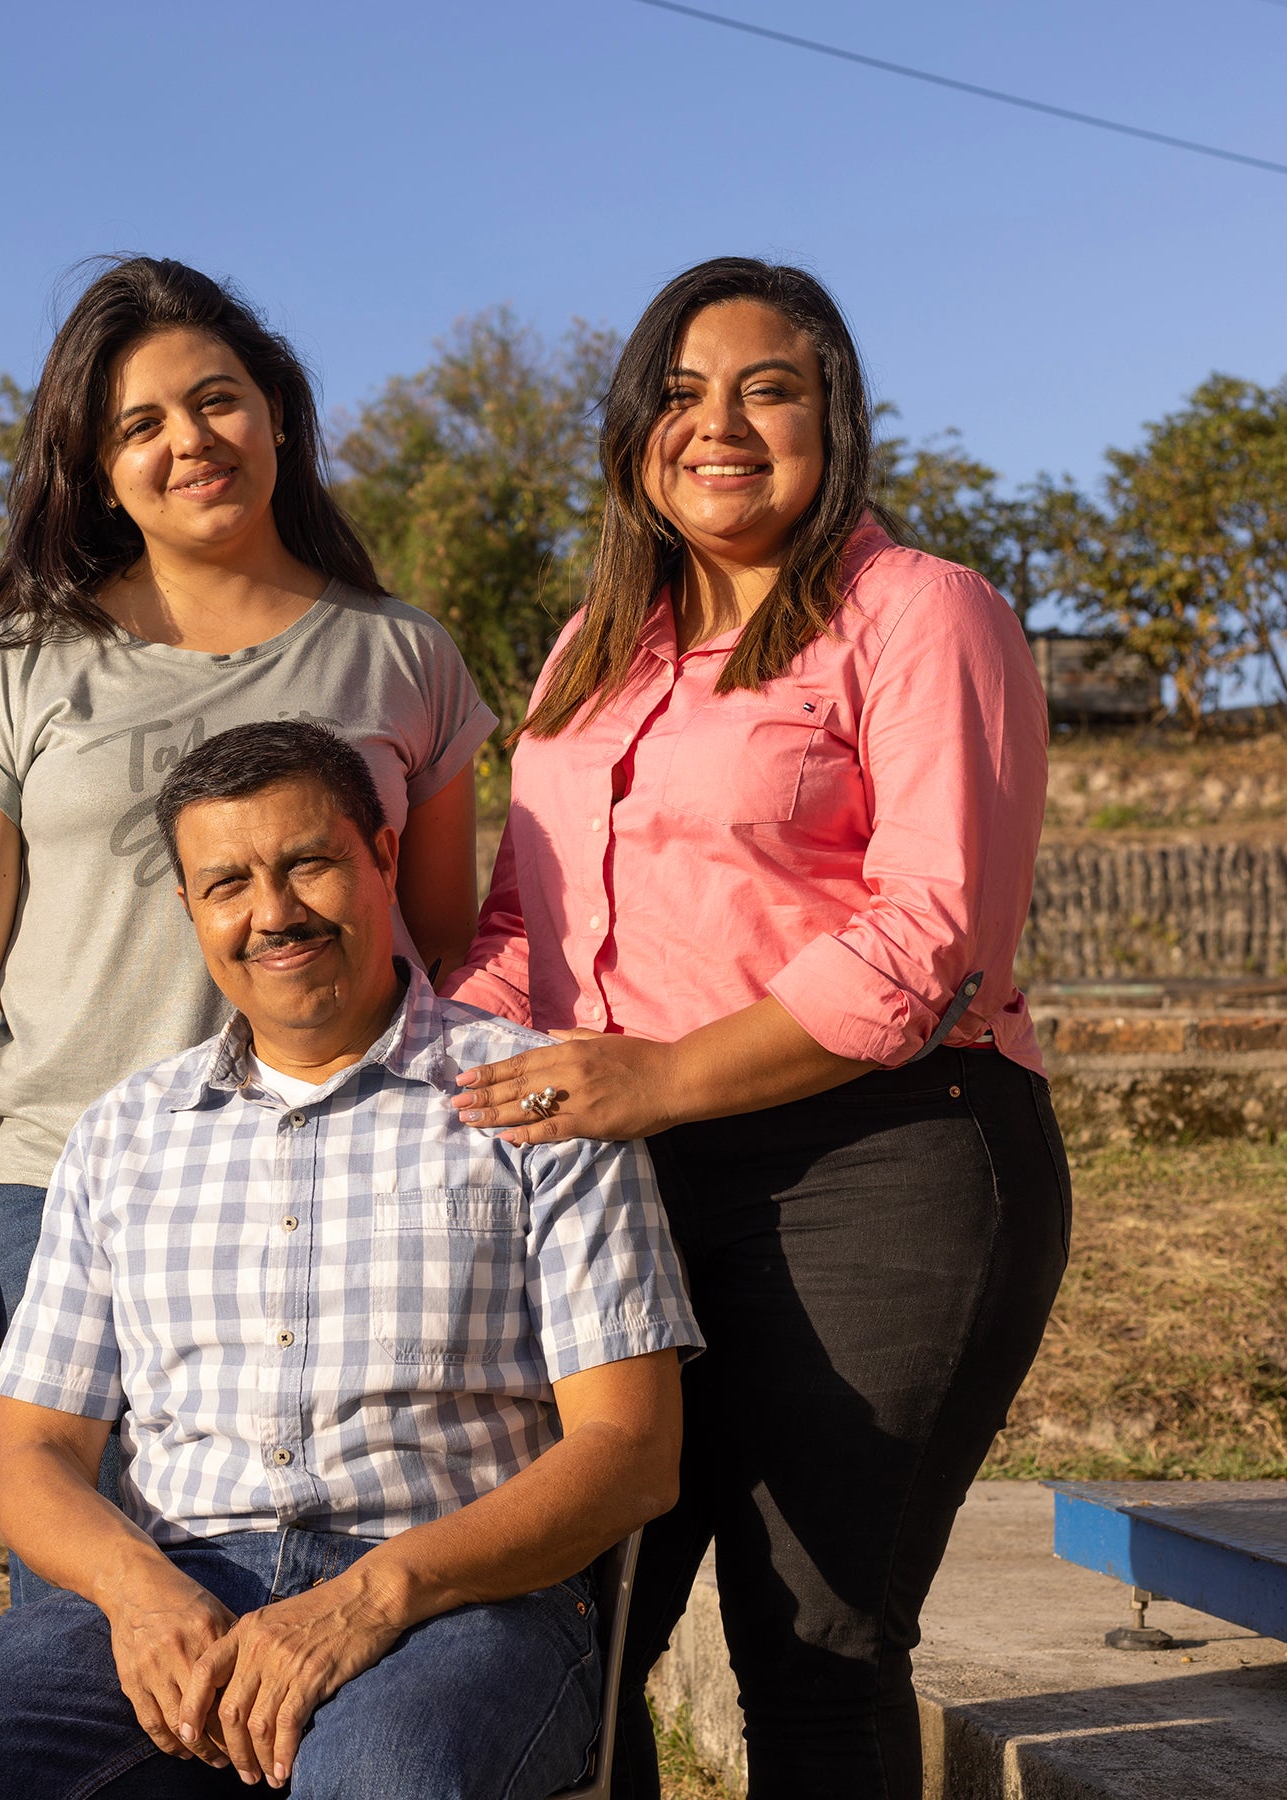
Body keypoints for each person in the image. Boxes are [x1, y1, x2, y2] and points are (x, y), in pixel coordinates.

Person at [441, 257, 1072, 1800]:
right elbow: (526, 929)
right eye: (675, 392)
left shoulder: (918, 613)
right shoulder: (590, 650)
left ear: (829, 418)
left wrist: (659, 1074)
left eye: (764, 388)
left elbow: (931, 930)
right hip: (624, 1178)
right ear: (630, 433)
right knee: (572, 1620)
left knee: (810, 1634)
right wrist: (421, 1074)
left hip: (879, 1161)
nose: (715, 425)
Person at [0, 721, 702, 1800]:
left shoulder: (533, 1102)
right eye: (227, 883)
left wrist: (374, 1596)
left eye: (307, 864)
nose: (272, 912)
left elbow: (629, 1450)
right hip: (183, 1587)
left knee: (384, 1776)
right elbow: (36, 1455)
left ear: (381, 860)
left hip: (459, 1602)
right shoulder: (123, 1135)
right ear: (190, 910)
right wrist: (135, 1591)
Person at [0, 258, 497, 1599]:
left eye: (214, 401)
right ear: (97, 473)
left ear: (275, 414)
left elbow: (444, 949)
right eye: (137, 426)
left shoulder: (405, 660)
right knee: (100, 1616)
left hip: (349, 1185)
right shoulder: (20, 668)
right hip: (59, 1192)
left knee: (328, 1603)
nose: (187, 443)